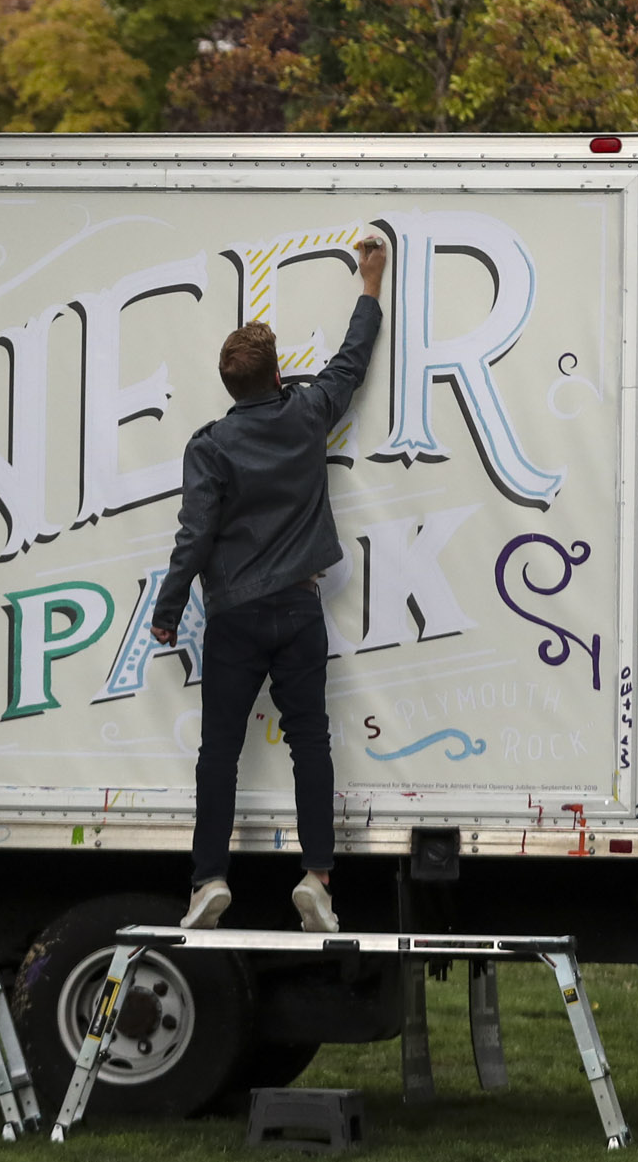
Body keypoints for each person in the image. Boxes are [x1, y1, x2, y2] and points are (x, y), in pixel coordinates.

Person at [152, 231, 388, 934]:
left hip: (234, 616)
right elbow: (351, 362)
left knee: (218, 751)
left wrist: (168, 610)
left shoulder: (211, 446)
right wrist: (370, 284)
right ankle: (316, 876)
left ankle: (208, 879)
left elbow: (194, 535)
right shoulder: (306, 412)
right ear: (278, 375)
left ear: (229, 384)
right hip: (300, 607)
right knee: (310, 740)